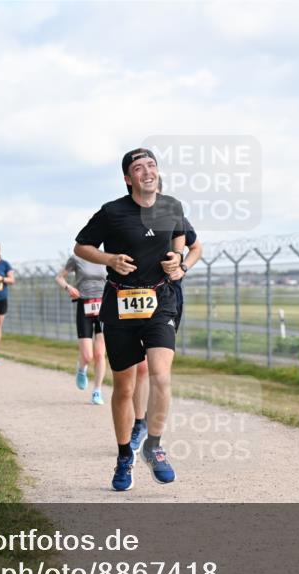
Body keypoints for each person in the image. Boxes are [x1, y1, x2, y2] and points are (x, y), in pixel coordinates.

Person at [73, 147, 186, 491]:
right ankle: (124, 455)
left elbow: (180, 235)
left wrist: (177, 258)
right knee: (124, 387)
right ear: (128, 178)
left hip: (160, 301)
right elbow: (81, 246)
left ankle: (154, 445)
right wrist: (109, 259)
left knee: (160, 376)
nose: (147, 171)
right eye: (139, 168)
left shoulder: (171, 206)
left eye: (151, 165)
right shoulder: (112, 212)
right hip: (120, 304)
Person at [127, 179, 205, 452]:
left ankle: (152, 430)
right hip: (132, 297)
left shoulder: (173, 214)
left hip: (167, 298)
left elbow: (196, 248)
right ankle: (139, 423)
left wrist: (182, 266)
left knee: (157, 368)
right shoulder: (127, 218)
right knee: (139, 367)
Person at [56, 253, 107, 404]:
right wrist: (68, 287)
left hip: (103, 306)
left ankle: (97, 391)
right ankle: (81, 368)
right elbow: (59, 277)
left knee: (100, 354)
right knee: (87, 355)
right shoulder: (76, 258)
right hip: (84, 305)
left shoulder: (105, 257)